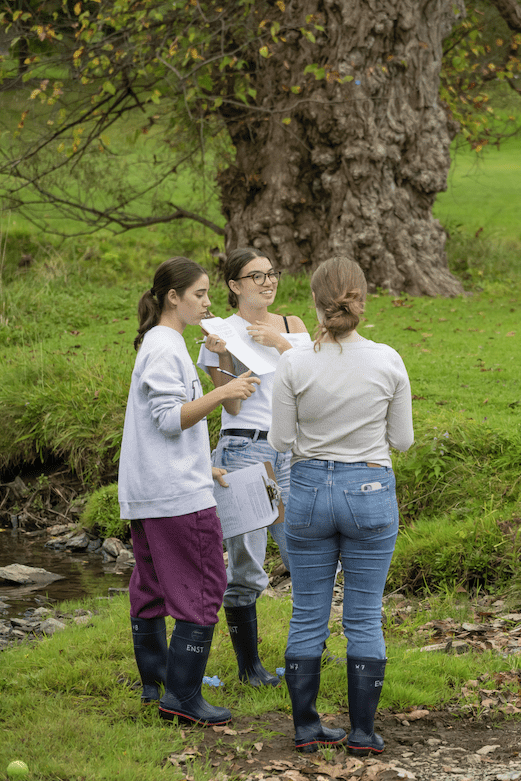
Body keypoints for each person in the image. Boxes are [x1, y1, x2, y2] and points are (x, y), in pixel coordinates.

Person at [270, 257, 414, 754]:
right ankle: (362, 732)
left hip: (309, 489)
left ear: (314, 301)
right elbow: (404, 440)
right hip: (369, 489)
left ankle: (307, 728)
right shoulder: (387, 359)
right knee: (364, 617)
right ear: (362, 299)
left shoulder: (293, 362)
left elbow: (282, 440)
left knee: (307, 614)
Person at [119, 256, 260, 726]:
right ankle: (183, 699)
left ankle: (155, 686)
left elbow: (158, 427)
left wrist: (208, 469)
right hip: (175, 497)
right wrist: (225, 391)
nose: (207, 302)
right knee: (203, 587)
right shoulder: (164, 348)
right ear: (172, 297)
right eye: (199, 294)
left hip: (155, 490)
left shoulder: (165, 343)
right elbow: (167, 419)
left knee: (154, 588)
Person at [198, 248, 310, 688]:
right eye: (257, 275)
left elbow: (313, 381)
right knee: (247, 564)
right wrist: (226, 356)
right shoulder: (218, 332)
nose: (268, 282)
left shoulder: (293, 326)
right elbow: (235, 401)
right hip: (246, 451)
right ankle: (251, 668)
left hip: (294, 451)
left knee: (304, 555)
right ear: (234, 285)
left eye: (272, 274)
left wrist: (281, 345)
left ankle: (306, 658)